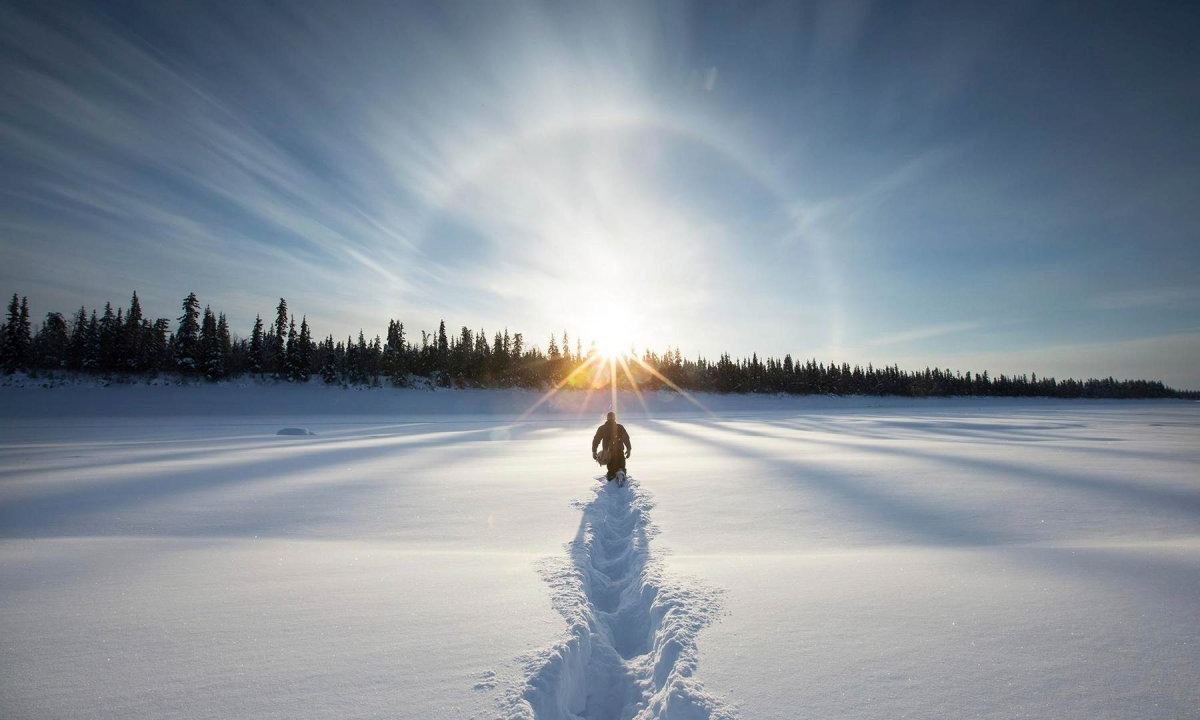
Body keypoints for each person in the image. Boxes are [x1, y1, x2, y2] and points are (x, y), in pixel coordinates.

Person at [591, 411, 631, 484]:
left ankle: (612, 477)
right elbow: (626, 438)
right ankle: (621, 473)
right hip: (619, 451)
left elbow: (596, 440)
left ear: (607, 418)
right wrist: (628, 449)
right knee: (621, 465)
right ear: (614, 418)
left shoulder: (602, 428)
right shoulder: (620, 427)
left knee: (611, 470)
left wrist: (594, 451)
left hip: (608, 453)